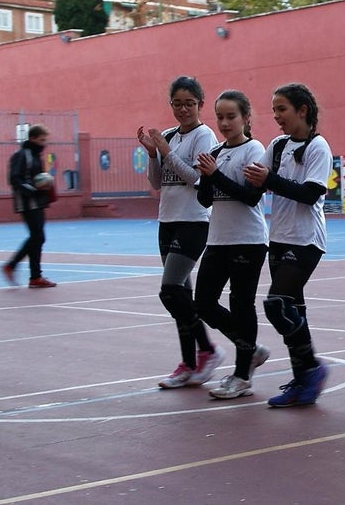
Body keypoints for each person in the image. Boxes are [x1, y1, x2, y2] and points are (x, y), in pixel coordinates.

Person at [243, 83, 334, 407]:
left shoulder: (317, 147)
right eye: (274, 110)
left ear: (302, 110)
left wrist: (268, 180)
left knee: (276, 304)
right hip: (279, 237)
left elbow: (310, 194)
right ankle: (302, 381)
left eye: (281, 109)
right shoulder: (278, 146)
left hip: (306, 239)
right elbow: (254, 186)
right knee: (295, 310)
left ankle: (312, 369)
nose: (276, 116)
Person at [137, 76, 224, 390]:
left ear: (200, 104)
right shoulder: (169, 136)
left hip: (193, 221)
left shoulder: (204, 135)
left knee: (170, 290)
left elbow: (197, 179)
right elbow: (157, 183)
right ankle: (188, 363)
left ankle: (209, 350)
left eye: (189, 103)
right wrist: (153, 154)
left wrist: (168, 154)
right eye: (177, 103)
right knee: (180, 296)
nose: (183, 109)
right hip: (168, 220)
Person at [194, 91, 272, 399]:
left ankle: (242, 377)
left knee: (241, 305)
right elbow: (204, 199)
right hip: (218, 238)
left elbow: (250, 197)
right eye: (220, 117)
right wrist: (207, 176)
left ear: (246, 118)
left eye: (231, 117)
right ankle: (251, 349)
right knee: (203, 303)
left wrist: (215, 174)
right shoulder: (215, 151)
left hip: (247, 240)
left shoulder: (254, 149)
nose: (225, 123)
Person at [2, 123, 56, 288]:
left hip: (38, 201)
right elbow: (15, 178)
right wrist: (33, 190)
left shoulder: (36, 155)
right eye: (42, 140)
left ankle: (35, 277)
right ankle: (12, 266)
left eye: (45, 140)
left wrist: (46, 185)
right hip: (27, 202)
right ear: (32, 138)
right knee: (38, 237)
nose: (44, 143)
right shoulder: (22, 155)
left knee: (37, 238)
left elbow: (36, 178)